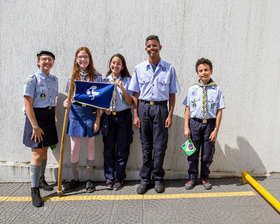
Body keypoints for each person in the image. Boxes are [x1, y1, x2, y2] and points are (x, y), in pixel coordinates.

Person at [129, 35, 181, 194]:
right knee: (146, 146)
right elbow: (135, 94)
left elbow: (172, 94)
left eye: (155, 45)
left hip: (160, 109)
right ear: (146, 49)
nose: (152, 48)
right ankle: (145, 179)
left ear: (160, 47)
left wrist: (170, 114)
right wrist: (136, 115)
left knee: (159, 147)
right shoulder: (139, 68)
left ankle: (158, 178)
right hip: (144, 108)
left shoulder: (169, 68)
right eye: (149, 46)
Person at [63, 47, 102, 193]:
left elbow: (99, 101)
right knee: (74, 148)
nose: (83, 59)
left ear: (89, 59)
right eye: (80, 57)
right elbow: (69, 98)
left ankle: (89, 179)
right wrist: (65, 103)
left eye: (85, 57)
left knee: (90, 145)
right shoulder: (72, 76)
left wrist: (97, 119)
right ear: (76, 59)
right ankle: (75, 179)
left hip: (90, 113)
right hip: (75, 113)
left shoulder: (97, 76)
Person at [183, 58, 225, 190]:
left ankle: (205, 177)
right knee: (192, 153)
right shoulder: (192, 89)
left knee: (207, 154)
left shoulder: (217, 89)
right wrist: (186, 127)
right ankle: (192, 178)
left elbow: (219, 111)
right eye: (200, 71)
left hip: (209, 125)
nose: (204, 73)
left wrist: (215, 130)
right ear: (197, 73)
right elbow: (188, 109)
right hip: (194, 124)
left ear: (211, 71)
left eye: (206, 70)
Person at [23, 50, 58, 207]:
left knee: (44, 151)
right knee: (36, 154)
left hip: (49, 117)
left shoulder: (54, 79)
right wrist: (35, 126)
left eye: (50, 60)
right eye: (44, 59)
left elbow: (53, 101)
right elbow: (27, 103)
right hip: (36, 118)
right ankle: (34, 189)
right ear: (38, 62)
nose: (47, 62)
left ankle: (41, 179)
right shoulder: (32, 79)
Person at [102, 53, 133, 191]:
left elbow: (130, 101)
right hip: (109, 118)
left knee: (122, 148)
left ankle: (119, 178)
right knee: (108, 148)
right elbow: (100, 100)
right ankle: (109, 177)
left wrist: (122, 88)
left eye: (118, 63)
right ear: (110, 64)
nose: (115, 65)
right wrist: (104, 109)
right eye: (113, 63)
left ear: (123, 66)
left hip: (123, 117)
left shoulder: (127, 81)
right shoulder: (104, 80)